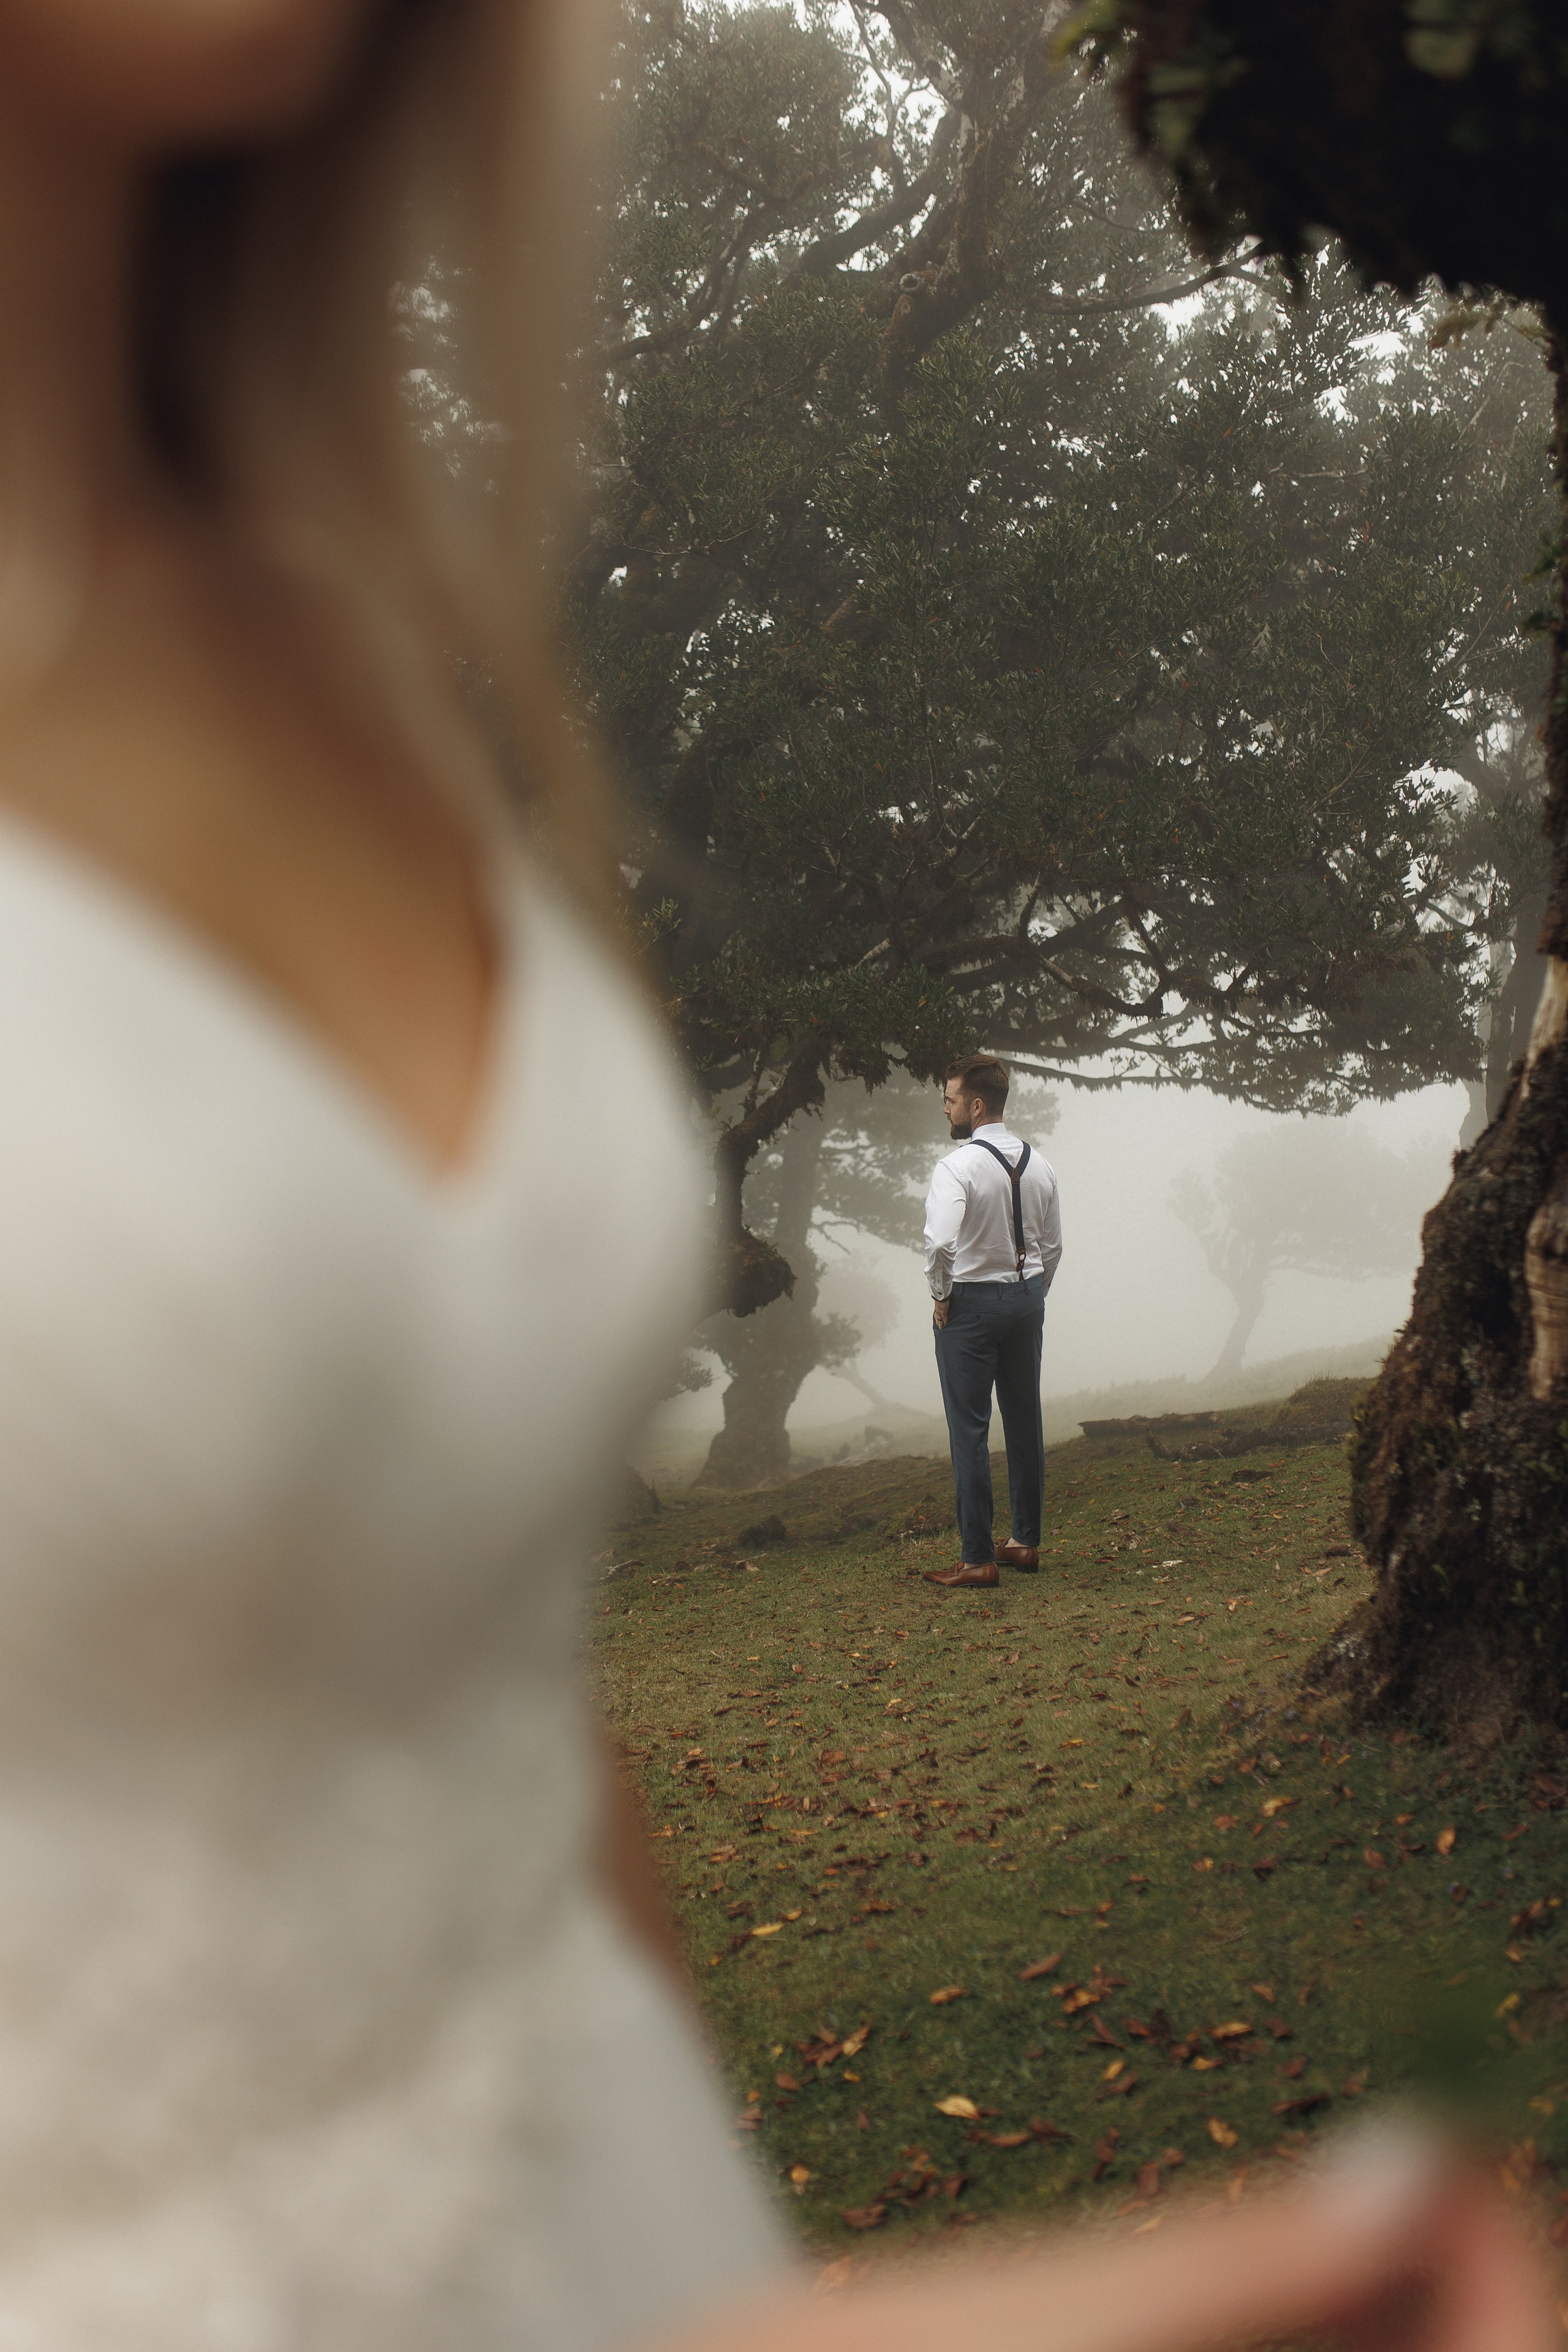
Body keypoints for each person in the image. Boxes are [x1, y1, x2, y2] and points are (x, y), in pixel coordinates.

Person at [0, 4, 1549, 2350]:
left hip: (629, 2225)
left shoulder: (342, 630)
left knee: (997, 1417)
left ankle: (991, 1527)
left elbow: (497, 1848)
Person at [922, 1056, 1063, 1591]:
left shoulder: (956, 1167)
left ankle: (977, 1558)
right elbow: (1052, 1246)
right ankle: (1024, 1543)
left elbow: (939, 1242)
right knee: (1025, 1423)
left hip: (972, 1309)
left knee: (970, 1432)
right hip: (1026, 1301)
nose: (946, 1109)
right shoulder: (1042, 1164)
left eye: (951, 1099)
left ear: (976, 1106)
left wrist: (941, 1294)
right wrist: (1032, 1292)